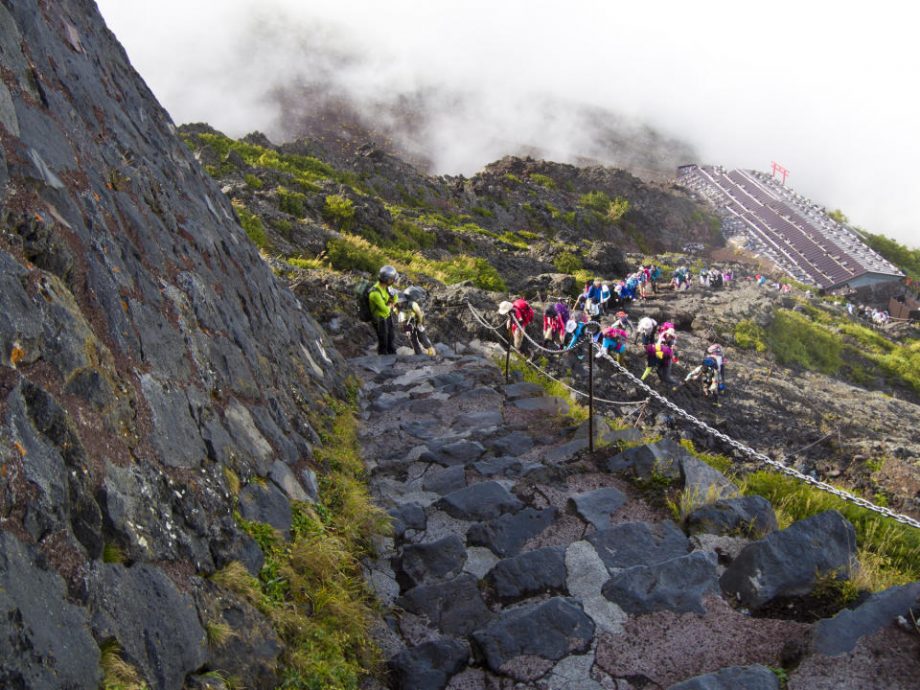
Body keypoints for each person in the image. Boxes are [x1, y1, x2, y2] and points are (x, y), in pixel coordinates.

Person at [395, 288, 435, 356]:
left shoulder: (413, 304)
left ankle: (431, 352)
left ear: (405, 300)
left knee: (422, 336)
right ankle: (418, 353)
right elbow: (401, 318)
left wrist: (420, 323)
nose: (400, 303)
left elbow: (419, 314)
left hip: (418, 319)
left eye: (401, 302)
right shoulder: (397, 308)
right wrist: (405, 328)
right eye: (399, 302)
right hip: (407, 322)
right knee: (411, 337)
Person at [369, 265, 398, 355]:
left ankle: (392, 355)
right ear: (387, 280)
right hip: (379, 319)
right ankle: (382, 357)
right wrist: (390, 304)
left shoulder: (387, 287)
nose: (393, 281)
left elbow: (395, 297)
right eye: (392, 279)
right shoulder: (374, 293)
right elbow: (385, 310)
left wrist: (391, 302)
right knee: (383, 340)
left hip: (387, 316)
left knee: (391, 336)